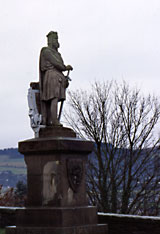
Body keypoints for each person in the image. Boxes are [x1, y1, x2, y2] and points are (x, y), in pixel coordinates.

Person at [39, 31, 73, 126]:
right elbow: (57, 64)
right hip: (51, 76)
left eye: (57, 39)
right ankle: (53, 120)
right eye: (55, 39)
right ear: (50, 40)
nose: (57, 41)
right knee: (53, 97)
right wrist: (65, 67)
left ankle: (53, 119)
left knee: (56, 98)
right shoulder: (46, 51)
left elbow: (60, 66)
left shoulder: (58, 54)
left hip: (58, 76)